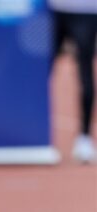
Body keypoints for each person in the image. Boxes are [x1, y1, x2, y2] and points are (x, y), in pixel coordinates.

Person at [48, 0, 97, 163]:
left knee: (85, 71)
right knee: (41, 73)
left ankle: (85, 138)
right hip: (53, 9)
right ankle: (36, 136)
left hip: (86, 10)